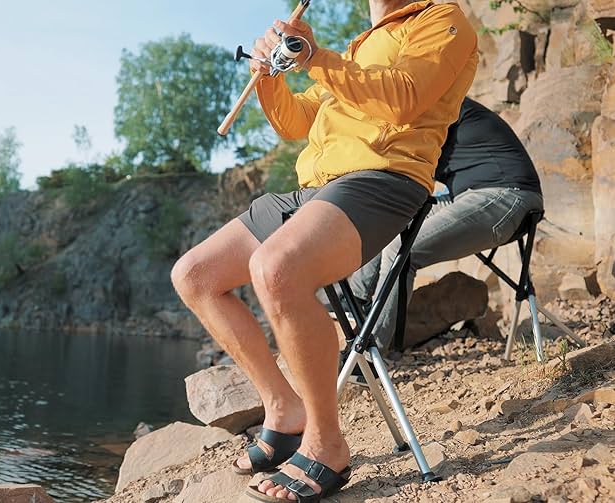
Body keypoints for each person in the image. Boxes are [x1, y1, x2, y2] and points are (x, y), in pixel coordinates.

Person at [170, 0, 478, 501]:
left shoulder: (441, 20)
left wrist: (316, 56)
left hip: (383, 179)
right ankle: (282, 409)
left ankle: (326, 443)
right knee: (195, 275)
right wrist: (269, 73)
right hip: (317, 188)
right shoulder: (361, 44)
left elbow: (404, 99)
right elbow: (297, 122)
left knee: (276, 269)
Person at [348, 97, 544, 360]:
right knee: (393, 216)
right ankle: (353, 300)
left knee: (403, 249)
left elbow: (394, 166)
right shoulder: (419, 109)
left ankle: (369, 354)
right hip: (470, 194)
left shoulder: (436, 104)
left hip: (508, 194)